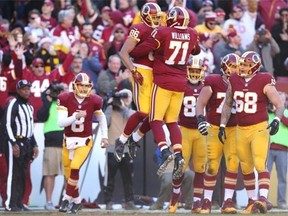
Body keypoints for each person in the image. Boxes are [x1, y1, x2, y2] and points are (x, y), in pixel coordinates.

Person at [123, 6, 200, 213]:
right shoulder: (192, 32)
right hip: (181, 82)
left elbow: (137, 51)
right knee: (172, 121)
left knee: (155, 119)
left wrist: (154, 47)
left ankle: (164, 148)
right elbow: (196, 51)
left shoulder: (163, 32)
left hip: (163, 80)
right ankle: (178, 152)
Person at [218, 51, 285, 214]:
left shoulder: (264, 79)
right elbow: (227, 103)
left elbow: (279, 103)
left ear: (255, 66)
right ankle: (251, 202)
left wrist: (276, 119)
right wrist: (222, 124)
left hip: (259, 127)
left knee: (260, 163)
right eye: (242, 65)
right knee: (246, 167)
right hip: (241, 129)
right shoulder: (234, 79)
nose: (243, 68)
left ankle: (262, 199)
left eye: (247, 65)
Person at [115, 2, 162, 162]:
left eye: (157, 17)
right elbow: (123, 53)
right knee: (144, 112)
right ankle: (121, 140)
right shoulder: (139, 28)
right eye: (153, 17)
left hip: (157, 73)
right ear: (145, 16)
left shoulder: (160, 29)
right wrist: (134, 71)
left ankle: (134, 139)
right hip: (142, 70)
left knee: (155, 116)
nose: (156, 20)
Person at [56, 73, 109, 214]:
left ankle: (65, 199)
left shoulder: (95, 100)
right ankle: (78, 201)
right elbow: (60, 123)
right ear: (75, 85)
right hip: (67, 141)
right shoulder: (65, 98)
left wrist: (104, 136)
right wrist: (75, 116)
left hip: (84, 141)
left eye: (86, 86)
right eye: (81, 85)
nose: (84, 89)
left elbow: (102, 118)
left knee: (74, 167)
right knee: (69, 175)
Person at [195, 53, 240, 214]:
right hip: (214, 127)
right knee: (212, 165)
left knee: (232, 164)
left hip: (234, 128)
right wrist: (200, 120)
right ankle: (206, 200)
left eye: (237, 66)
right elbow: (201, 102)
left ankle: (227, 201)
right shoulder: (213, 81)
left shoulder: (242, 82)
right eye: (233, 66)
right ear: (224, 66)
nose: (236, 69)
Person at [3, 79, 39, 212]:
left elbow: (30, 128)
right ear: (18, 90)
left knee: (23, 174)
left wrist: (34, 144)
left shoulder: (29, 107)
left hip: (27, 143)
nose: (27, 91)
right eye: (24, 89)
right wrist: (13, 143)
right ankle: (10, 203)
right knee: (13, 174)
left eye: (28, 89)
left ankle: (19, 202)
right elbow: (7, 125)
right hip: (16, 141)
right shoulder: (13, 104)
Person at [178, 56, 206, 213]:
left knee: (200, 167)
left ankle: (196, 201)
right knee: (180, 167)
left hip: (201, 132)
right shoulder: (181, 86)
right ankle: (177, 198)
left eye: (197, 71)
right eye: (192, 70)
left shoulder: (206, 87)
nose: (195, 74)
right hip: (184, 129)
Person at [103, 88, 139, 211]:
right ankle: (108, 202)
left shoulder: (132, 112)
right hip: (112, 149)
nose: (124, 99)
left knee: (128, 178)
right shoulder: (111, 110)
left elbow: (134, 118)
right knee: (110, 178)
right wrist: (109, 105)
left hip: (127, 150)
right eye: (123, 97)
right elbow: (105, 122)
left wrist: (123, 106)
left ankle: (129, 202)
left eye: (127, 97)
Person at [37, 82, 66, 211]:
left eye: (61, 91)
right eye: (56, 91)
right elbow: (41, 116)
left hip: (66, 143)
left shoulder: (67, 104)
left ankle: (69, 200)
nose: (58, 93)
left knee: (69, 175)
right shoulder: (47, 104)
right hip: (51, 143)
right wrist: (47, 99)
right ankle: (49, 202)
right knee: (50, 174)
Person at [267, 92, 288, 209]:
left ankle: (282, 202)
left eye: (282, 99)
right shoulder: (268, 113)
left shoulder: (286, 113)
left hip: (283, 150)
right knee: (264, 176)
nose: (279, 101)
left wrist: (277, 112)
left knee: (282, 177)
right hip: (268, 149)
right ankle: (262, 200)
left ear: (285, 101)